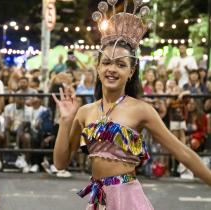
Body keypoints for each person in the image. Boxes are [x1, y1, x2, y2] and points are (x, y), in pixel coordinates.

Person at [53, 1, 211, 209]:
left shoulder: (141, 110)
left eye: (120, 64)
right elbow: (60, 163)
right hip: (99, 200)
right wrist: (65, 121)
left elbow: (182, 152)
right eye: (107, 62)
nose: (112, 69)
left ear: (131, 71)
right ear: (98, 67)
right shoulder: (85, 112)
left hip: (128, 199)